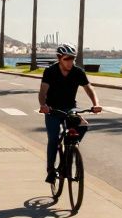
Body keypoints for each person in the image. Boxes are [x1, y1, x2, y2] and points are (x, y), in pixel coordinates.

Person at [37, 44, 102, 183]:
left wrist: (96, 104)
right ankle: (51, 170)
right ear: (59, 58)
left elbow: (89, 88)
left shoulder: (78, 72)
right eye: (67, 59)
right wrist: (43, 105)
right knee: (53, 139)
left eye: (73, 58)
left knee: (83, 125)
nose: (70, 62)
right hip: (53, 110)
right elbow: (43, 91)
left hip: (70, 108)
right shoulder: (50, 71)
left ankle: (70, 152)